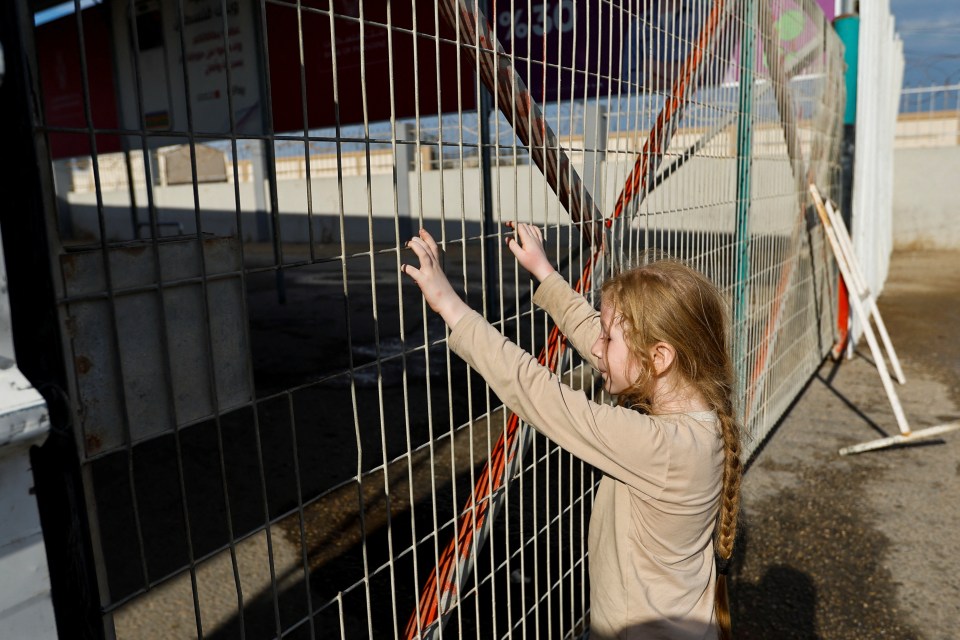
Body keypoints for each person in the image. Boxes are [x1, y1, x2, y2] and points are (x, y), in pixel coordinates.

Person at [401, 224, 741, 640]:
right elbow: (596, 338)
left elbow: (540, 394)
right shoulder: (700, 414)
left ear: (660, 357)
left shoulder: (657, 445)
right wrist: (544, 272)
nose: (597, 345)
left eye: (609, 336)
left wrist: (449, 306)